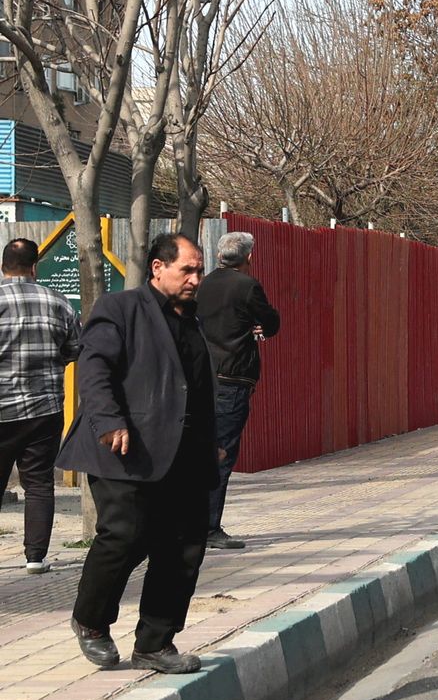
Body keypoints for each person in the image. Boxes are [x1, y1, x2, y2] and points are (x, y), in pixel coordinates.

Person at [60, 234, 219, 674]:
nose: (195, 278)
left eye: (199, 270)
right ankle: (90, 621)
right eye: (187, 269)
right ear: (157, 268)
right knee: (125, 535)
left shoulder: (194, 320)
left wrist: (213, 439)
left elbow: (194, 387)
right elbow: (93, 368)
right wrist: (110, 420)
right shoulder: (121, 308)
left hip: (184, 456)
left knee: (183, 548)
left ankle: (155, 642)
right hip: (125, 449)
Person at [195, 230, 280, 553]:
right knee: (222, 452)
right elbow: (269, 321)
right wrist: (261, 326)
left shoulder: (202, 284)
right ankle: (209, 527)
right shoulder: (247, 286)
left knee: (198, 450)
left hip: (201, 377)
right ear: (248, 257)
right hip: (232, 378)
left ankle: (190, 523)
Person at [0, 238, 82, 574]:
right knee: (38, 483)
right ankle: (35, 557)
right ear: (35, 267)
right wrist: (53, 364)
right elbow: (76, 347)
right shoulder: (58, 302)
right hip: (44, 408)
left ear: (4, 266)